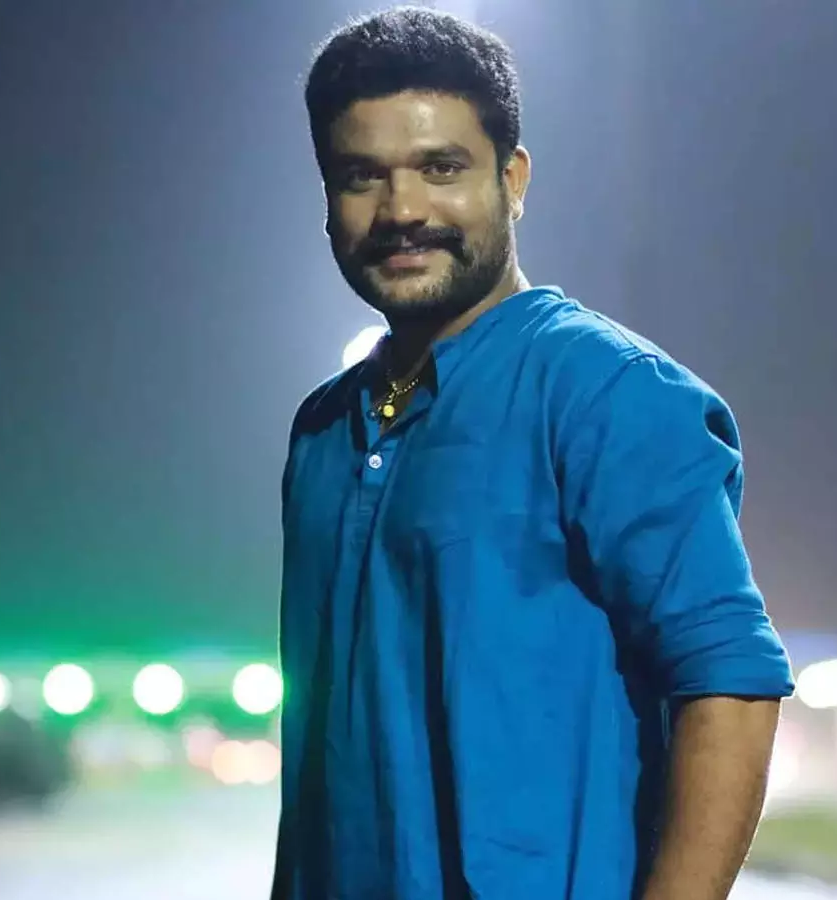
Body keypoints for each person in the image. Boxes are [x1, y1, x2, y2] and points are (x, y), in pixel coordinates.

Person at [275, 7, 794, 899]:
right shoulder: (324, 429)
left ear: (512, 179)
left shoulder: (606, 393)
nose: (403, 211)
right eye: (362, 177)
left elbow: (730, 684)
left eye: (442, 168)